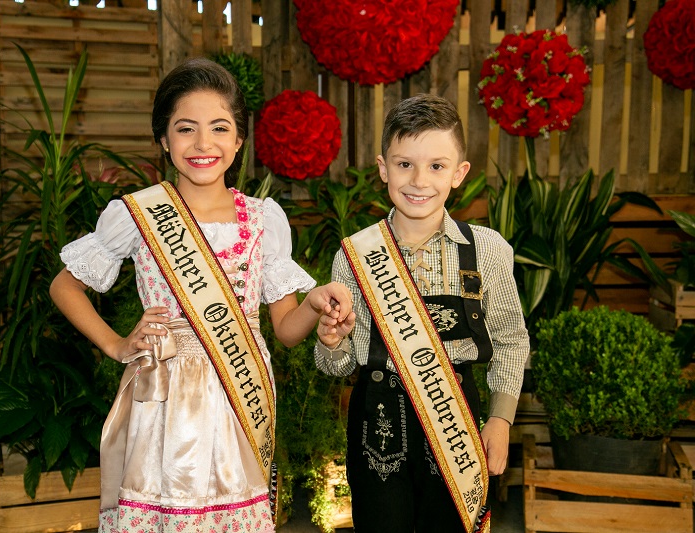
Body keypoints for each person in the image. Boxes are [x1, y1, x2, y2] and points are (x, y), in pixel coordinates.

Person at [50, 58, 352, 533]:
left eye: (219, 128)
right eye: (185, 128)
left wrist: (313, 304)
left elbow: (285, 332)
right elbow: (65, 285)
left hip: (241, 395)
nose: (203, 143)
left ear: (238, 141)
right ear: (164, 140)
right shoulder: (139, 214)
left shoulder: (263, 220)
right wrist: (116, 345)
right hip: (163, 397)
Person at [315, 93, 530, 533]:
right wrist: (330, 340)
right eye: (404, 164)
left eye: (436, 165)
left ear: (459, 174)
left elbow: (511, 340)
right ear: (382, 168)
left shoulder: (487, 250)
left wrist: (501, 418)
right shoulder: (355, 254)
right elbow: (335, 365)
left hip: (457, 418)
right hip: (378, 420)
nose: (419, 180)